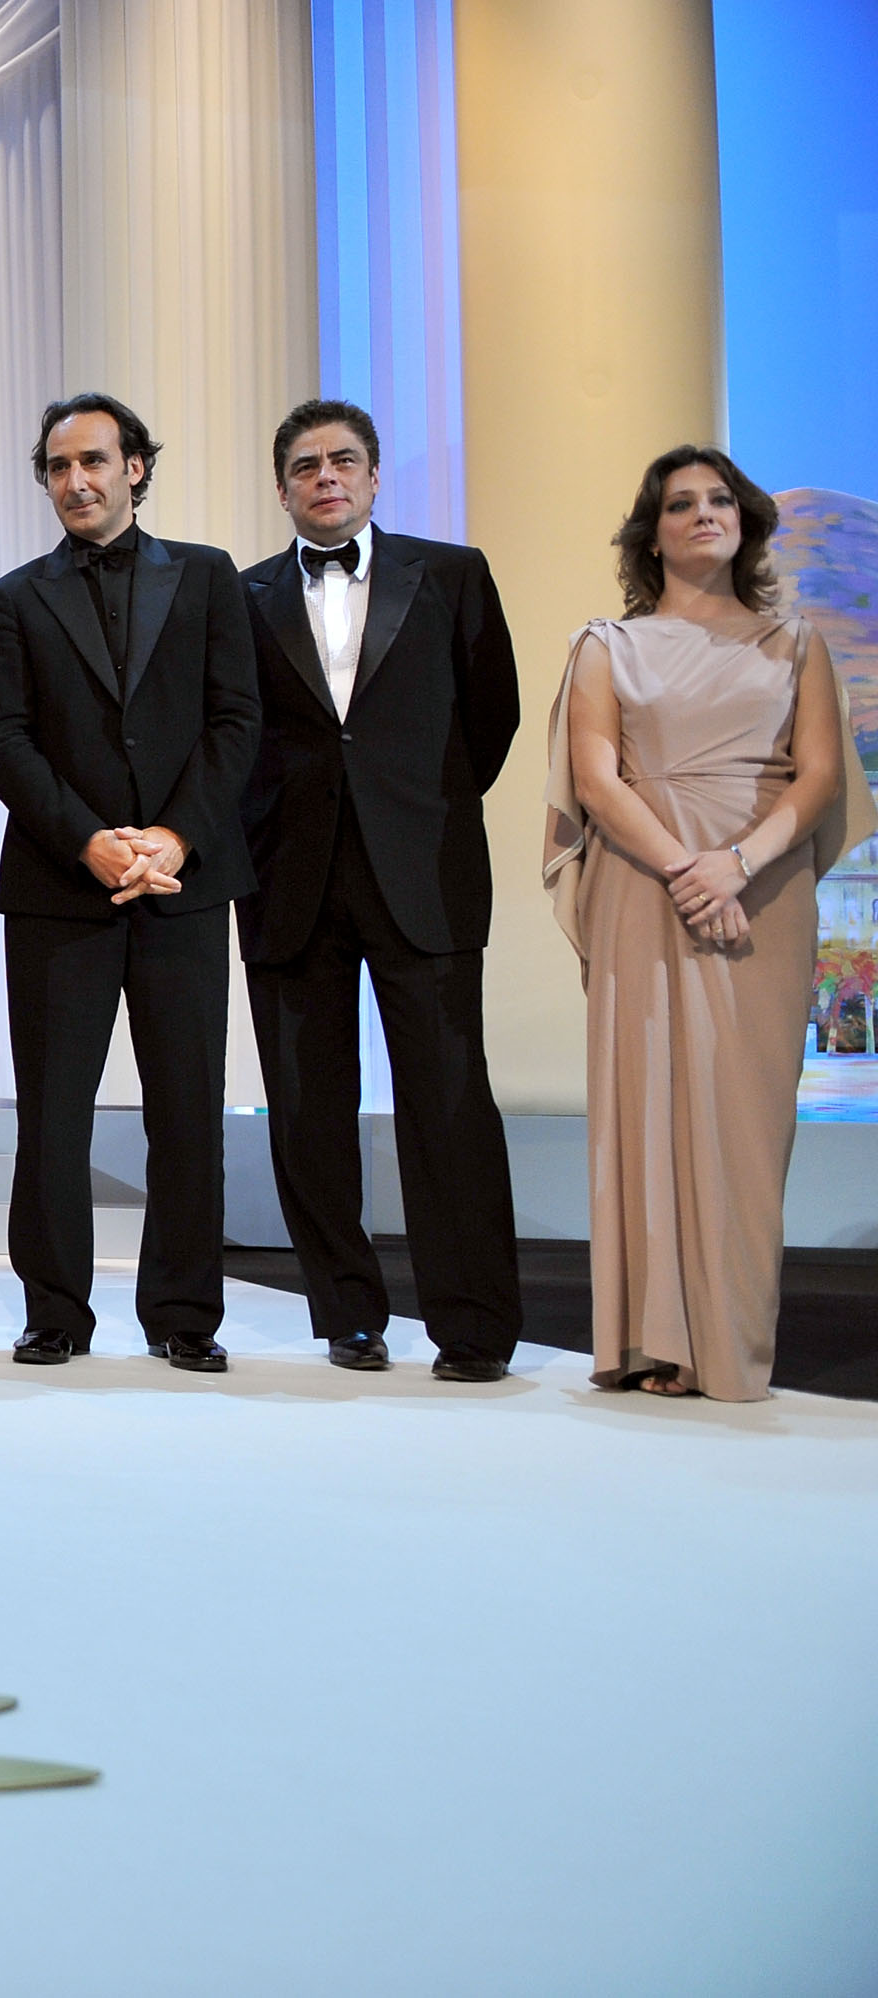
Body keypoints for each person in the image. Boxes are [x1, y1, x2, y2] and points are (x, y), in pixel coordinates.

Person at [545, 445, 873, 1401]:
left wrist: (738, 863)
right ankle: (655, 1340)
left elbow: (819, 776)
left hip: (763, 888)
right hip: (641, 884)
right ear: (651, 535)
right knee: (644, 1102)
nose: (703, 514)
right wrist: (688, 868)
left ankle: (727, 1345)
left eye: (720, 500)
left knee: (747, 1120)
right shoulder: (605, 645)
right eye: (681, 503)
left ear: (745, 522)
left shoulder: (796, 643)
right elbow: (597, 778)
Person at [239, 400, 524, 1382]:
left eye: (343, 460)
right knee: (307, 1111)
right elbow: (231, 733)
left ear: (371, 476)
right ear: (283, 488)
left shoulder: (451, 574)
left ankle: (473, 1325)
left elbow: (491, 716)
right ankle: (348, 1315)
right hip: (288, 879)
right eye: (305, 465)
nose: (325, 476)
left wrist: (417, 811)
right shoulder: (240, 595)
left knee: (448, 1103)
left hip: (424, 872)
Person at [0, 394, 260, 1370]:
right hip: (59, 888)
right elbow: (4, 739)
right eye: (58, 467)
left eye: (93, 460)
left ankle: (184, 1315)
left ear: (135, 466)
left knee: (187, 1107)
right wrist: (89, 841)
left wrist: (176, 837)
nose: (75, 481)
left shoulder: (209, 576)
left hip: (185, 884)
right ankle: (54, 1311)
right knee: (54, 1114)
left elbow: (236, 720)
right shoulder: (15, 596)